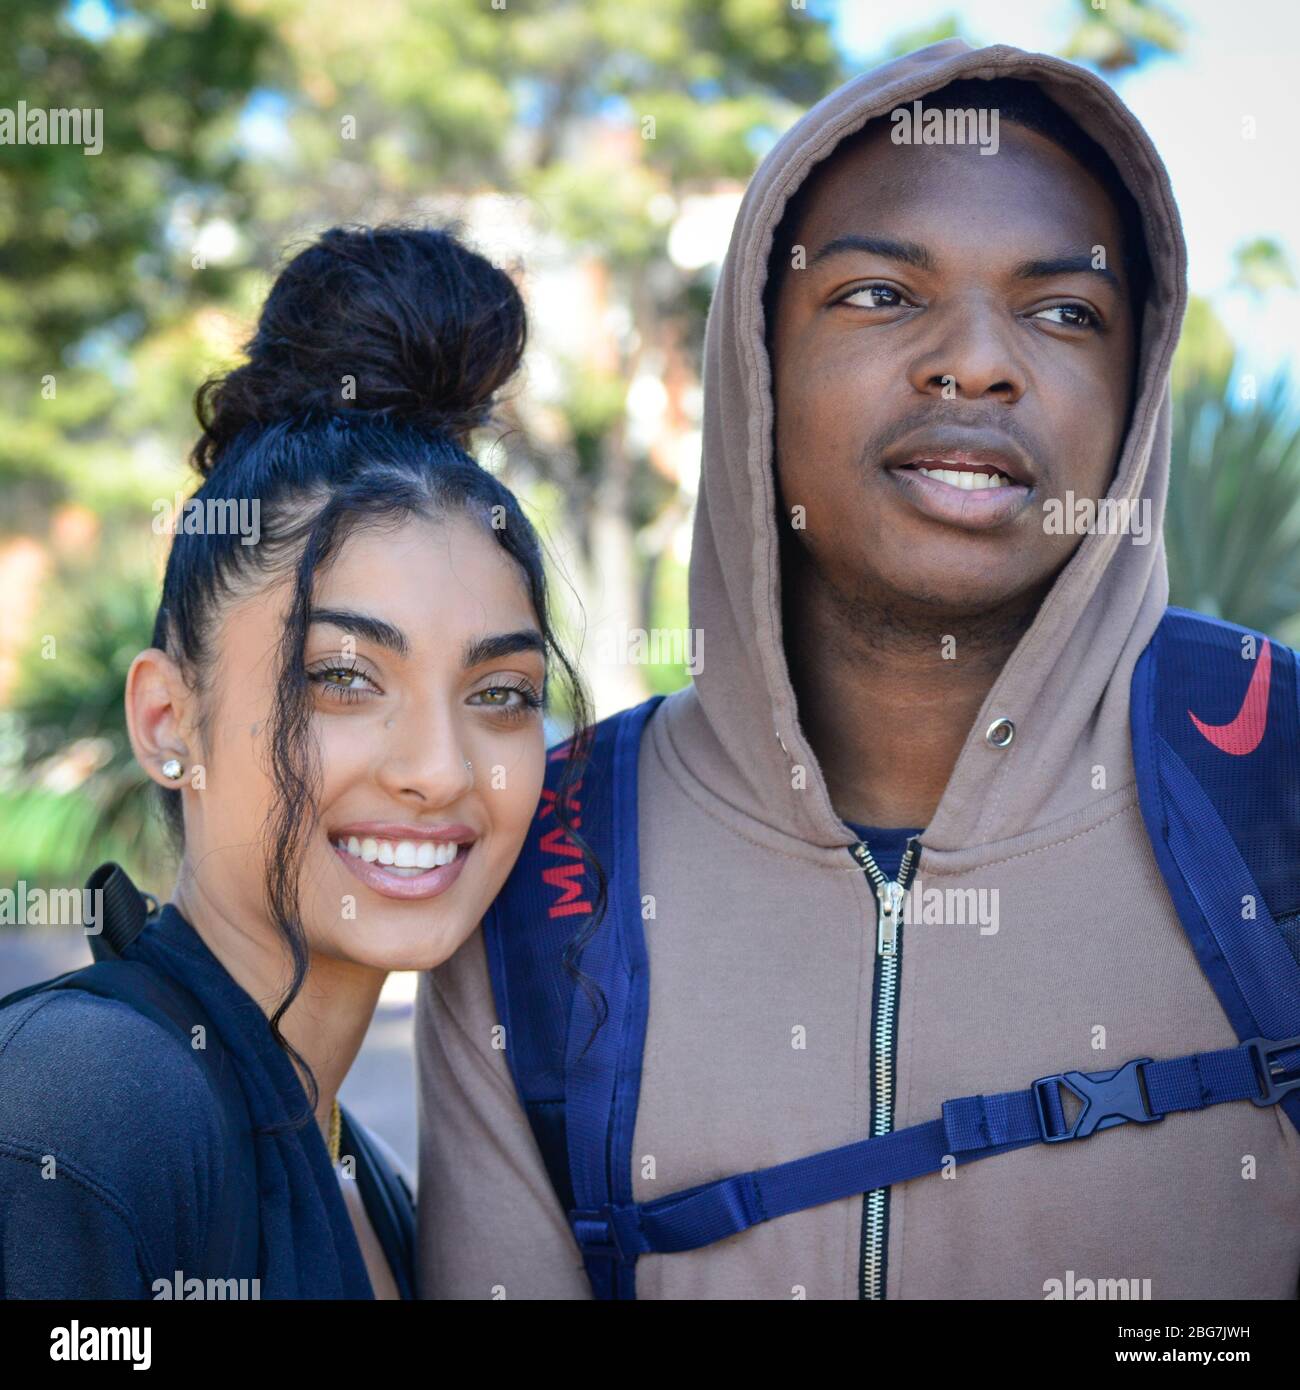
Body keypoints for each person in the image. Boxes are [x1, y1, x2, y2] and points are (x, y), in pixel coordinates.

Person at [414, 41, 1300, 1299]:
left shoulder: (1275, 779)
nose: (976, 363)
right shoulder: (548, 860)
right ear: (753, 367)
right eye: (880, 294)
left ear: (1134, 397)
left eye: (1065, 313)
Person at [0, 224, 593, 1299]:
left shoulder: (369, 1178)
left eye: (499, 694)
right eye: (343, 678)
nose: (439, 769)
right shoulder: (86, 1104)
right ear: (168, 719)